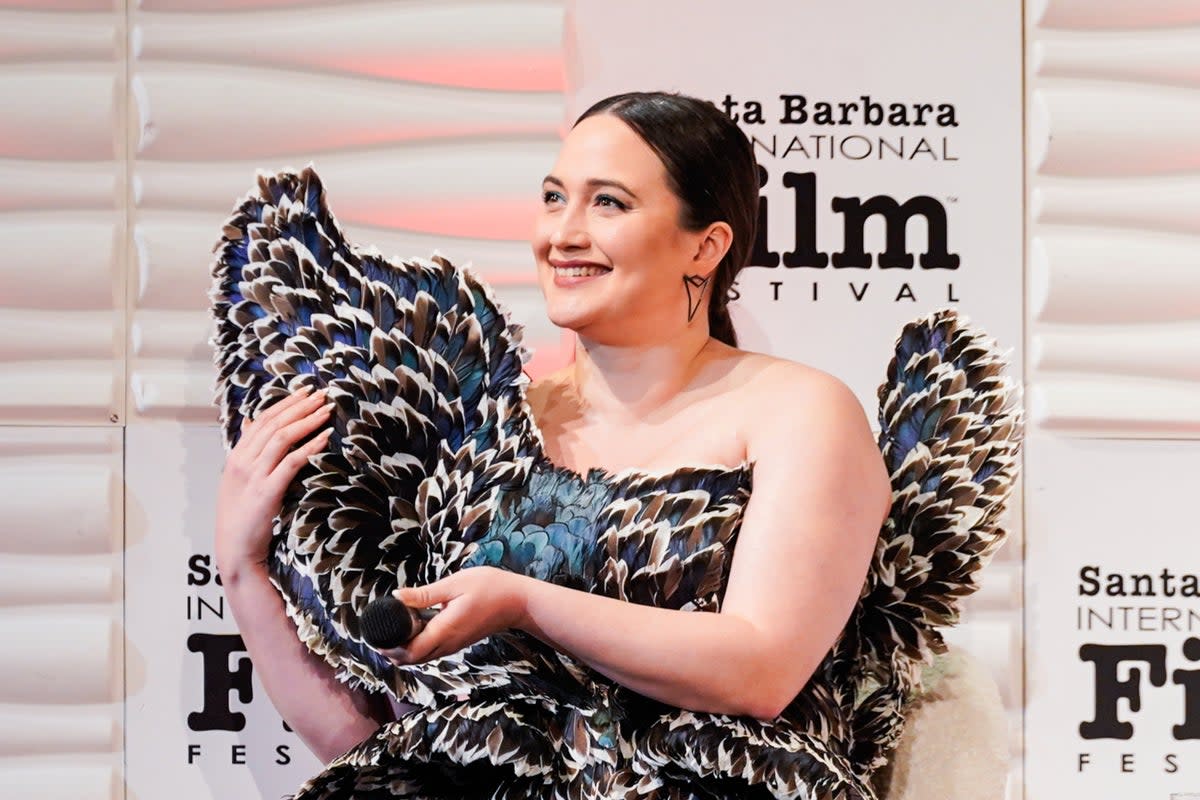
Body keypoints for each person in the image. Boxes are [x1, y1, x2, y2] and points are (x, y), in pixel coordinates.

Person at [211, 92, 1015, 799]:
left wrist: (522, 599)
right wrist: (243, 571)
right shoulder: (489, 429)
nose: (563, 232)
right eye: (555, 196)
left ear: (705, 246)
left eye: (609, 204)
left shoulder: (798, 411)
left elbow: (759, 670)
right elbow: (374, 743)